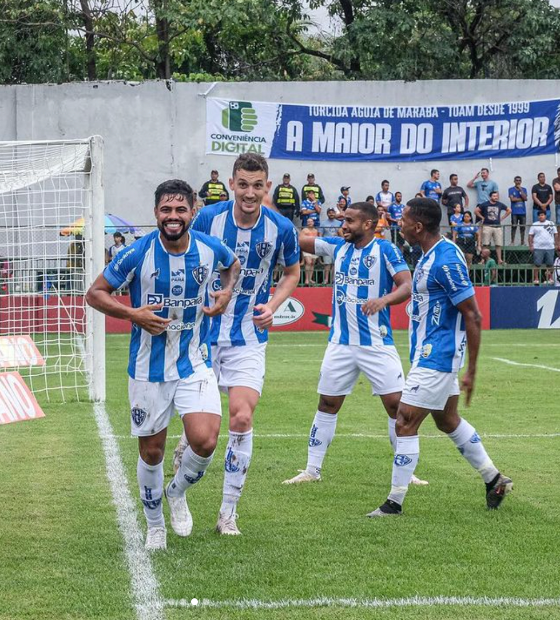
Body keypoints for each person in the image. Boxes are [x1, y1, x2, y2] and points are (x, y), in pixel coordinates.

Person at [85, 179, 240, 551]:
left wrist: (225, 293)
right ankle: (155, 526)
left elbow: (232, 266)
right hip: (147, 369)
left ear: (192, 212)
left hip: (193, 362)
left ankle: (177, 492)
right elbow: (94, 294)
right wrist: (133, 314)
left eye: (180, 210)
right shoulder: (137, 254)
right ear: (156, 213)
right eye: (166, 210)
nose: (173, 217)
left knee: (204, 441)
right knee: (152, 452)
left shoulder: (209, 248)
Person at [172, 153, 300, 536]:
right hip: (203, 337)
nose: (249, 193)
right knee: (203, 432)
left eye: (257, 185)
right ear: (231, 184)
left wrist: (273, 305)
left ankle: (228, 513)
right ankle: (185, 453)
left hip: (248, 337)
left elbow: (292, 271)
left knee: (242, 419)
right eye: (242, 184)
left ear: (267, 186)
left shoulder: (281, 228)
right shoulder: (209, 218)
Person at [367, 197, 512, 518]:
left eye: (403, 219)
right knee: (447, 420)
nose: (398, 223)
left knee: (404, 421)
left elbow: (473, 315)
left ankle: (394, 503)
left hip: (438, 356)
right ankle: (494, 479)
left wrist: (472, 370)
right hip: (431, 355)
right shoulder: (432, 254)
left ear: (417, 227)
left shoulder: (445, 261)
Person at [283, 201, 428, 488]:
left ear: (369, 224)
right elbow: (299, 240)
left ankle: (406, 471)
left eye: (349, 221)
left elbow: (406, 285)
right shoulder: (337, 247)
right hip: (340, 344)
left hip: (377, 344)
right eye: (343, 220)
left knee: (397, 407)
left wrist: (384, 300)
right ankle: (312, 469)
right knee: (327, 403)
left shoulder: (386, 250)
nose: (343, 225)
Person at [475, 191, 511, 265]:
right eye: (494, 196)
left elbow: (509, 210)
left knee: (498, 244)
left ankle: (500, 260)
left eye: (496, 196)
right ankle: (483, 260)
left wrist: (502, 218)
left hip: (497, 226)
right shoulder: (485, 204)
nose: (496, 197)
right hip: (487, 226)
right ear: (490, 197)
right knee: (485, 244)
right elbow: (476, 211)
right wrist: (482, 217)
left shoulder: (500, 204)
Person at [528, 211, 558, 285]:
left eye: (542, 215)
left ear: (545, 216)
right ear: (538, 217)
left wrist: (556, 244)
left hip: (550, 247)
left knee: (550, 264)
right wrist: (531, 245)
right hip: (538, 247)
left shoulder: (551, 224)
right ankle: (536, 279)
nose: (541, 216)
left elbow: (556, 234)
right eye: (540, 215)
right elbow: (530, 235)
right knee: (537, 264)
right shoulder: (535, 225)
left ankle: (549, 279)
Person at [320, 207, 343, 285]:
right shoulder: (323, 223)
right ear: (327, 214)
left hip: (336, 245)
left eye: (332, 212)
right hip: (326, 245)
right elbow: (320, 235)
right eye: (329, 212)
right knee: (327, 263)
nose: (331, 214)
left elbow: (342, 235)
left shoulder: (339, 223)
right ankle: (326, 279)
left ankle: (333, 280)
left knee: (335, 263)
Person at [508, 176, 528, 245]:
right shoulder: (511, 189)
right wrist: (521, 199)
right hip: (514, 212)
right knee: (514, 227)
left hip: (522, 212)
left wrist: (520, 190)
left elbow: (525, 198)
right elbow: (512, 199)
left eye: (519, 180)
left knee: (523, 227)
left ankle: (522, 242)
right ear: (514, 181)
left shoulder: (524, 189)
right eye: (516, 180)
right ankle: (512, 242)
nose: (518, 182)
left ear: (521, 181)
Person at [301, 218, 320, 286]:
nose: (309, 223)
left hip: (314, 248)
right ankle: (306, 279)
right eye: (308, 222)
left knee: (312, 263)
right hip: (306, 248)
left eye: (311, 221)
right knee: (308, 262)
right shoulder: (304, 230)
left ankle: (310, 278)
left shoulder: (316, 231)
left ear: (313, 222)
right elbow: (301, 240)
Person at [553, 167, 560, 232]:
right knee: (558, 222)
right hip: (558, 204)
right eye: (558, 174)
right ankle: (559, 240)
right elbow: (557, 189)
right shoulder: (555, 180)